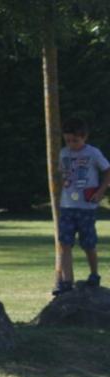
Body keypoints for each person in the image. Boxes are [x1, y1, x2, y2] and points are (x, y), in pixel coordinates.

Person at [52, 116, 110, 295]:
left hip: (86, 207)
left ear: (84, 137)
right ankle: (67, 281)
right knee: (65, 243)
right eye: (68, 140)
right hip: (67, 206)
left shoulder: (93, 153)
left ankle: (94, 274)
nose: (71, 144)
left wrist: (100, 191)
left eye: (75, 140)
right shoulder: (64, 153)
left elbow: (108, 171)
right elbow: (63, 174)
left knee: (88, 243)